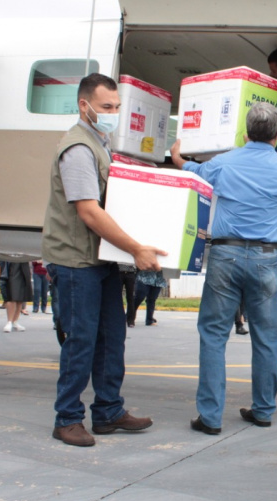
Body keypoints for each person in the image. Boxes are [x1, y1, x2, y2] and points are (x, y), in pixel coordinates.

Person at [43, 72, 165, 447]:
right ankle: (67, 418)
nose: (112, 113)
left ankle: (109, 411)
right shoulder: (78, 149)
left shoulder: (101, 143)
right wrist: (136, 249)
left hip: (100, 260)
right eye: (105, 107)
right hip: (76, 261)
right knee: (81, 340)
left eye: (116, 107)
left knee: (112, 338)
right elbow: (89, 213)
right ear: (85, 106)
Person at [171, 101, 277, 436]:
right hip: (265, 258)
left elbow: (194, 174)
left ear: (245, 132)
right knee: (267, 337)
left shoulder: (224, 163)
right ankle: (263, 410)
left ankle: (210, 417)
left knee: (214, 335)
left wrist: (179, 158)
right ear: (276, 135)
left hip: (226, 257)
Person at [1, 261, 32, 332]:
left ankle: (14, 321)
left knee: (20, 297)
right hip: (12, 263)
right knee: (12, 295)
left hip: (24, 263)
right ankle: (9, 321)